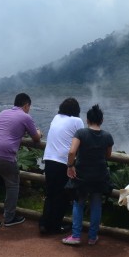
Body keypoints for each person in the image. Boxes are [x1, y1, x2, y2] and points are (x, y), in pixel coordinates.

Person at [0, 92, 42, 232]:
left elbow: (5, 130)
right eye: (29, 107)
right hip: (5, 156)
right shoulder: (26, 117)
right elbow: (36, 138)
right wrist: (39, 132)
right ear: (26, 105)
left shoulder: (3, 112)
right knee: (13, 185)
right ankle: (9, 217)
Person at [62, 104, 114, 246]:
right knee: (96, 205)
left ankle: (76, 235)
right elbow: (108, 155)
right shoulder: (107, 136)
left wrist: (70, 165)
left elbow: (72, 152)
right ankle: (92, 237)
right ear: (101, 120)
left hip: (82, 175)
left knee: (78, 203)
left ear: (87, 120)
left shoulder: (81, 133)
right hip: (100, 175)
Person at [40, 97, 83, 235]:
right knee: (62, 195)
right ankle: (55, 226)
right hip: (63, 162)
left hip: (49, 159)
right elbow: (82, 140)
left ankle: (44, 224)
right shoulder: (77, 121)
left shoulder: (56, 117)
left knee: (51, 193)